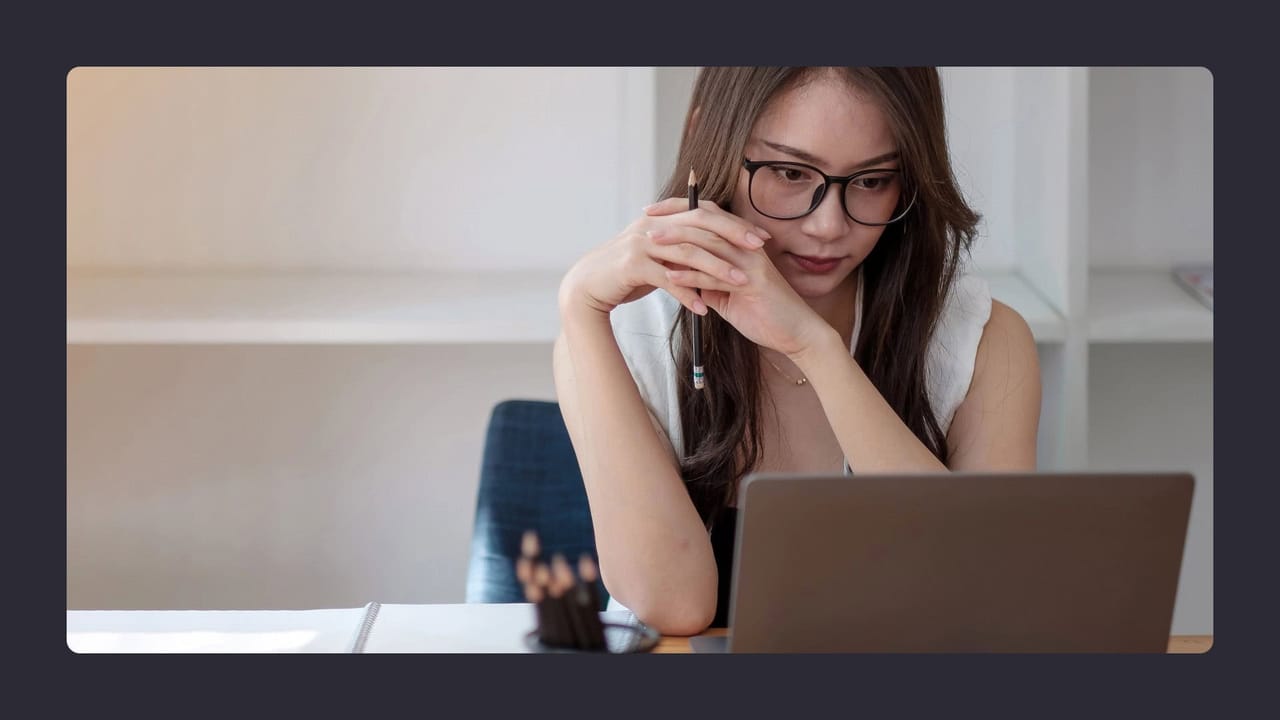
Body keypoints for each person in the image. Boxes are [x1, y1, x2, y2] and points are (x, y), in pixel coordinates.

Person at [552, 67, 1041, 635]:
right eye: (789, 172)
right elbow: (674, 606)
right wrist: (579, 310)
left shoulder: (982, 341)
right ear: (707, 136)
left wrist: (815, 348)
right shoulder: (627, 335)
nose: (828, 225)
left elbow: (982, 593)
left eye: (872, 180)